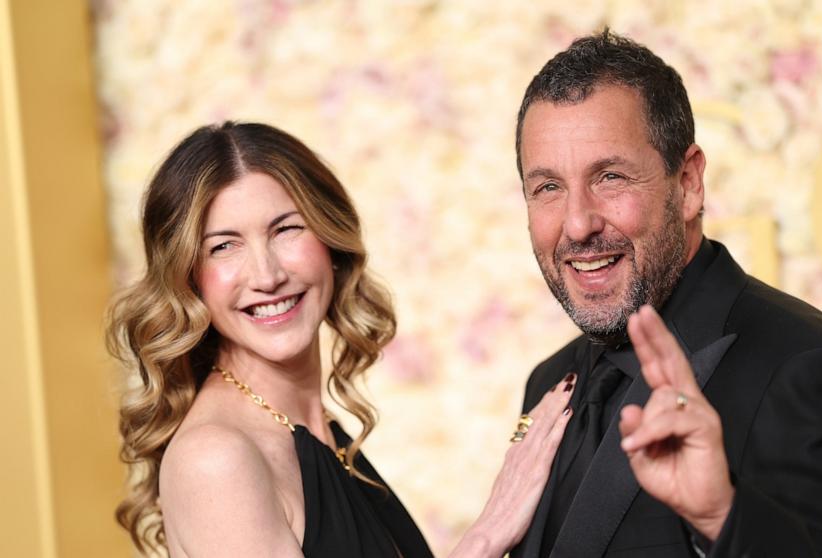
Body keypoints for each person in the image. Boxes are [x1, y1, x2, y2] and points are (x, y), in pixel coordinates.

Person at [511, 30, 822, 557]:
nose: (577, 224)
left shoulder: (803, 369)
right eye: (548, 187)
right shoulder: (551, 386)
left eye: (611, 177)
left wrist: (722, 518)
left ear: (687, 183)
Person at [107, 121, 574, 557]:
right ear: (188, 279)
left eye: (286, 229)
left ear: (330, 240)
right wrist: (486, 536)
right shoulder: (216, 459)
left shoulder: (316, 432)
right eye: (223, 246)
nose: (267, 275)